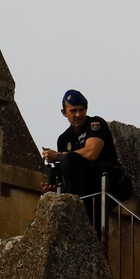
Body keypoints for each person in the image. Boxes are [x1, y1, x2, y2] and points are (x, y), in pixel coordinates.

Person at [41, 89, 120, 229]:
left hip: (105, 181)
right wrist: (54, 185)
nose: (78, 114)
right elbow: (67, 168)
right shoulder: (64, 139)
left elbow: (91, 152)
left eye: (81, 110)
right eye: (73, 111)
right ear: (64, 113)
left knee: (68, 159)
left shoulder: (95, 124)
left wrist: (58, 156)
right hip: (82, 187)